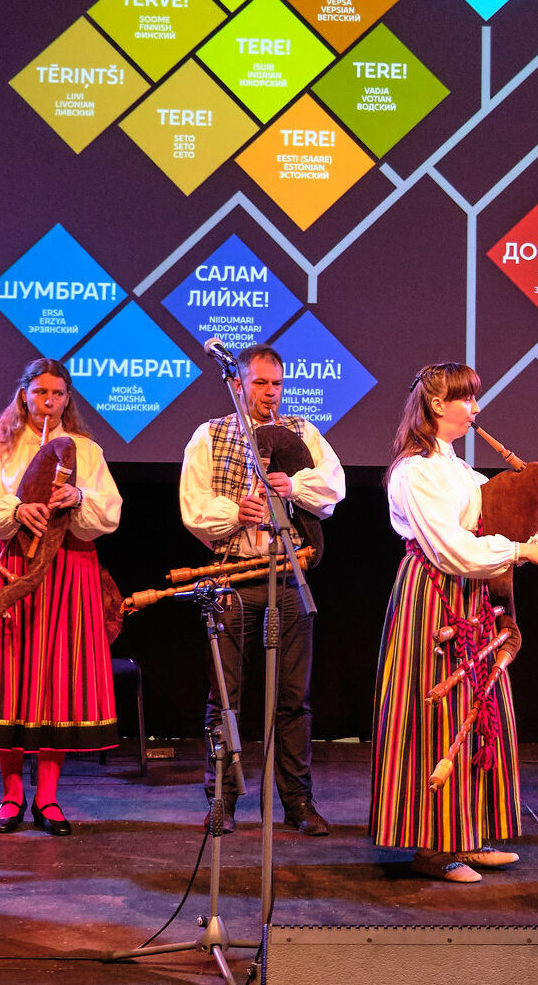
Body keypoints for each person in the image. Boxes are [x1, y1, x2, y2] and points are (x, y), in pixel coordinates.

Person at [369, 362, 538, 882]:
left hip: (470, 598)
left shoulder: (457, 468)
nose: (475, 409)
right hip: (433, 596)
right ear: (438, 405)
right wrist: (521, 551)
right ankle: (432, 848)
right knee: (436, 713)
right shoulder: (414, 471)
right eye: (467, 399)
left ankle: (465, 833)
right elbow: (451, 549)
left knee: (477, 707)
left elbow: (493, 522)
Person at [0, 358, 122, 835]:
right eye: (40, 392)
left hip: (68, 566)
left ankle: (48, 796)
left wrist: (78, 498)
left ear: (67, 399)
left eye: (58, 394)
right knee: (9, 673)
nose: (49, 401)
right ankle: (10, 794)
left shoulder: (85, 449)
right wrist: (18, 509)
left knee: (55, 675)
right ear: (24, 394)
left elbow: (110, 512)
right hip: (9, 563)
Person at [180, 344, 345, 836]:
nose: (270, 392)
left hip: (288, 578)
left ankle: (297, 801)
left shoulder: (302, 432)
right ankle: (222, 800)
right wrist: (236, 512)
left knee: (293, 698)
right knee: (225, 696)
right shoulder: (210, 435)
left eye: (276, 383)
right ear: (238, 384)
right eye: (260, 383)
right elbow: (193, 506)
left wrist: (294, 488)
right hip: (232, 576)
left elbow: (332, 488)